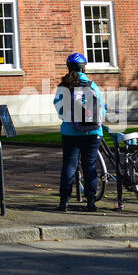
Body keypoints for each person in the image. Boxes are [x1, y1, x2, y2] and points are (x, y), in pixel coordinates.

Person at [52, 52, 106, 212]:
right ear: (84, 68)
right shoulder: (92, 85)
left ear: (68, 68)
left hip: (70, 133)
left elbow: (60, 111)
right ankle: (91, 202)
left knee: (69, 166)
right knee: (89, 166)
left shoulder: (63, 86)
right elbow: (101, 109)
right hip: (93, 132)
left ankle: (64, 202)